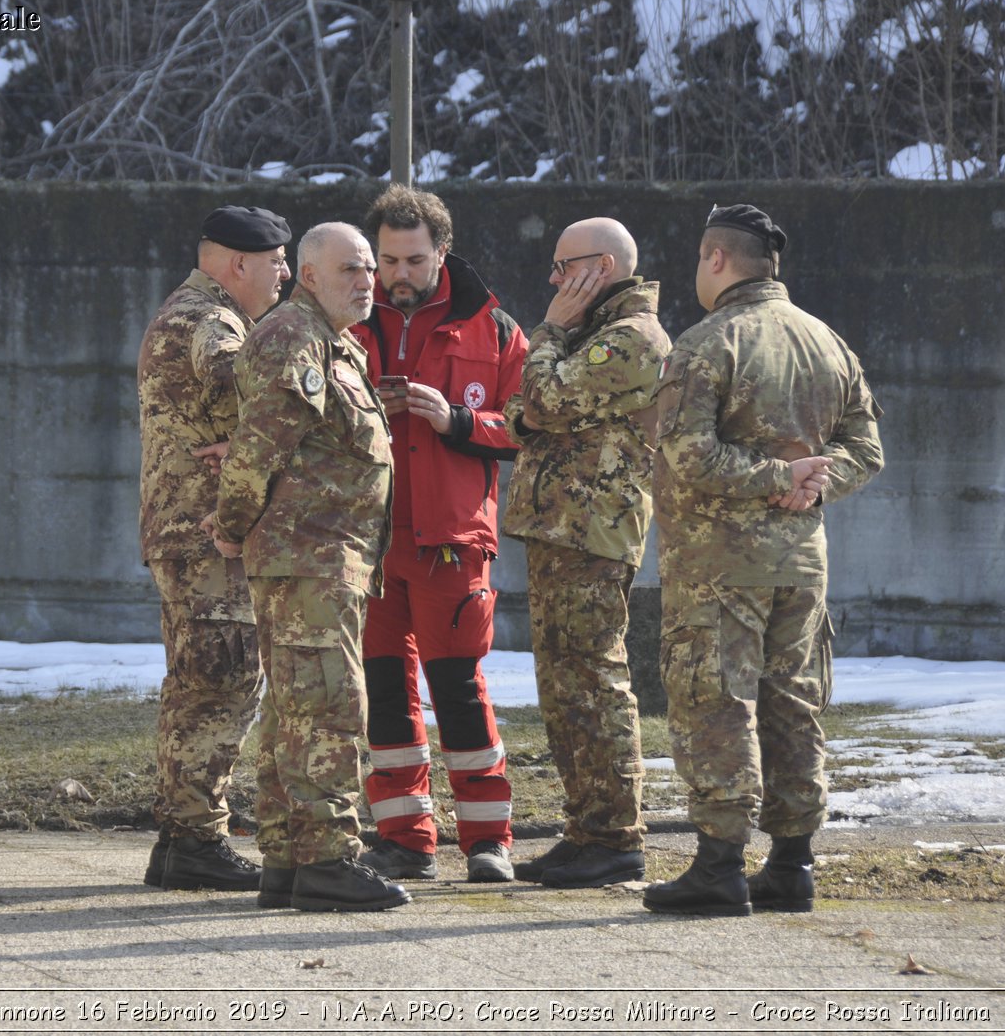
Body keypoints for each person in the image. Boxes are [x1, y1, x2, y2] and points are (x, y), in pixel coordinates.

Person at [643, 203, 883, 917]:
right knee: (792, 705)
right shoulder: (826, 342)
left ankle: (719, 863)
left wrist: (782, 478)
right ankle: (791, 862)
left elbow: (688, 456)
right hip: (802, 564)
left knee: (716, 702)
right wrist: (814, 479)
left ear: (716, 259)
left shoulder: (705, 343)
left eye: (698, 260)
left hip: (720, 566)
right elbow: (866, 451)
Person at [203, 221, 410, 913]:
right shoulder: (294, 335)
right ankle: (329, 858)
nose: (367, 281)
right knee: (328, 706)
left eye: (371, 270)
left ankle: (290, 860)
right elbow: (259, 448)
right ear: (311, 275)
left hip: (326, 557)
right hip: (309, 557)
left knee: (298, 709)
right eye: (351, 268)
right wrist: (232, 527)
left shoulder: (333, 342)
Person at [349, 185, 528, 884]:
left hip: (451, 541)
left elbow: (528, 427)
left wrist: (453, 419)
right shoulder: (346, 320)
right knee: (385, 692)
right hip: (367, 540)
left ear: (442, 251)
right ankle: (404, 839)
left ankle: (489, 841)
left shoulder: (497, 328)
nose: (397, 273)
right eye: (386, 258)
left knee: (458, 688)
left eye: (413, 258)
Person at [500, 218, 671, 889]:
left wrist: (545, 332)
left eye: (561, 266)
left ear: (599, 268)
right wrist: (547, 373)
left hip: (592, 533)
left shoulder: (631, 339)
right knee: (565, 685)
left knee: (593, 682)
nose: (552, 280)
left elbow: (540, 399)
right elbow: (522, 411)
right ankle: (586, 829)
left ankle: (615, 835)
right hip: (565, 530)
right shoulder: (590, 337)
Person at [136, 205, 292, 892]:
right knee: (220, 686)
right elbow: (245, 380)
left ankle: (183, 839)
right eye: (277, 262)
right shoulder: (212, 320)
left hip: (189, 537)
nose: (286, 273)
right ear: (238, 265)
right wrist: (278, 436)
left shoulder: (192, 309)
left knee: (199, 685)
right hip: (210, 540)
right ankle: (197, 838)